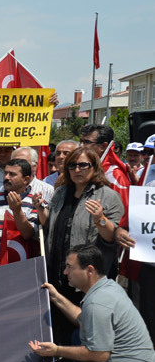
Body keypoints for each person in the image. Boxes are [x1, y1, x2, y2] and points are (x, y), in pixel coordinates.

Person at [29, 244, 155, 362]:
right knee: (77, 336)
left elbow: (99, 354)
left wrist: (56, 350)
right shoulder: (107, 286)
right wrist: (56, 297)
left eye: (70, 267)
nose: (65, 272)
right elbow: (83, 318)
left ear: (89, 270)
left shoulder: (98, 303)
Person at [36, 147, 124, 348]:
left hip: (87, 277)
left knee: (85, 328)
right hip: (59, 271)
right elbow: (49, 226)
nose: (77, 170)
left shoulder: (108, 196)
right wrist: (41, 209)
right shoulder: (60, 192)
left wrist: (100, 218)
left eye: (83, 165)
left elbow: (112, 237)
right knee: (58, 325)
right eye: (72, 165)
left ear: (94, 167)